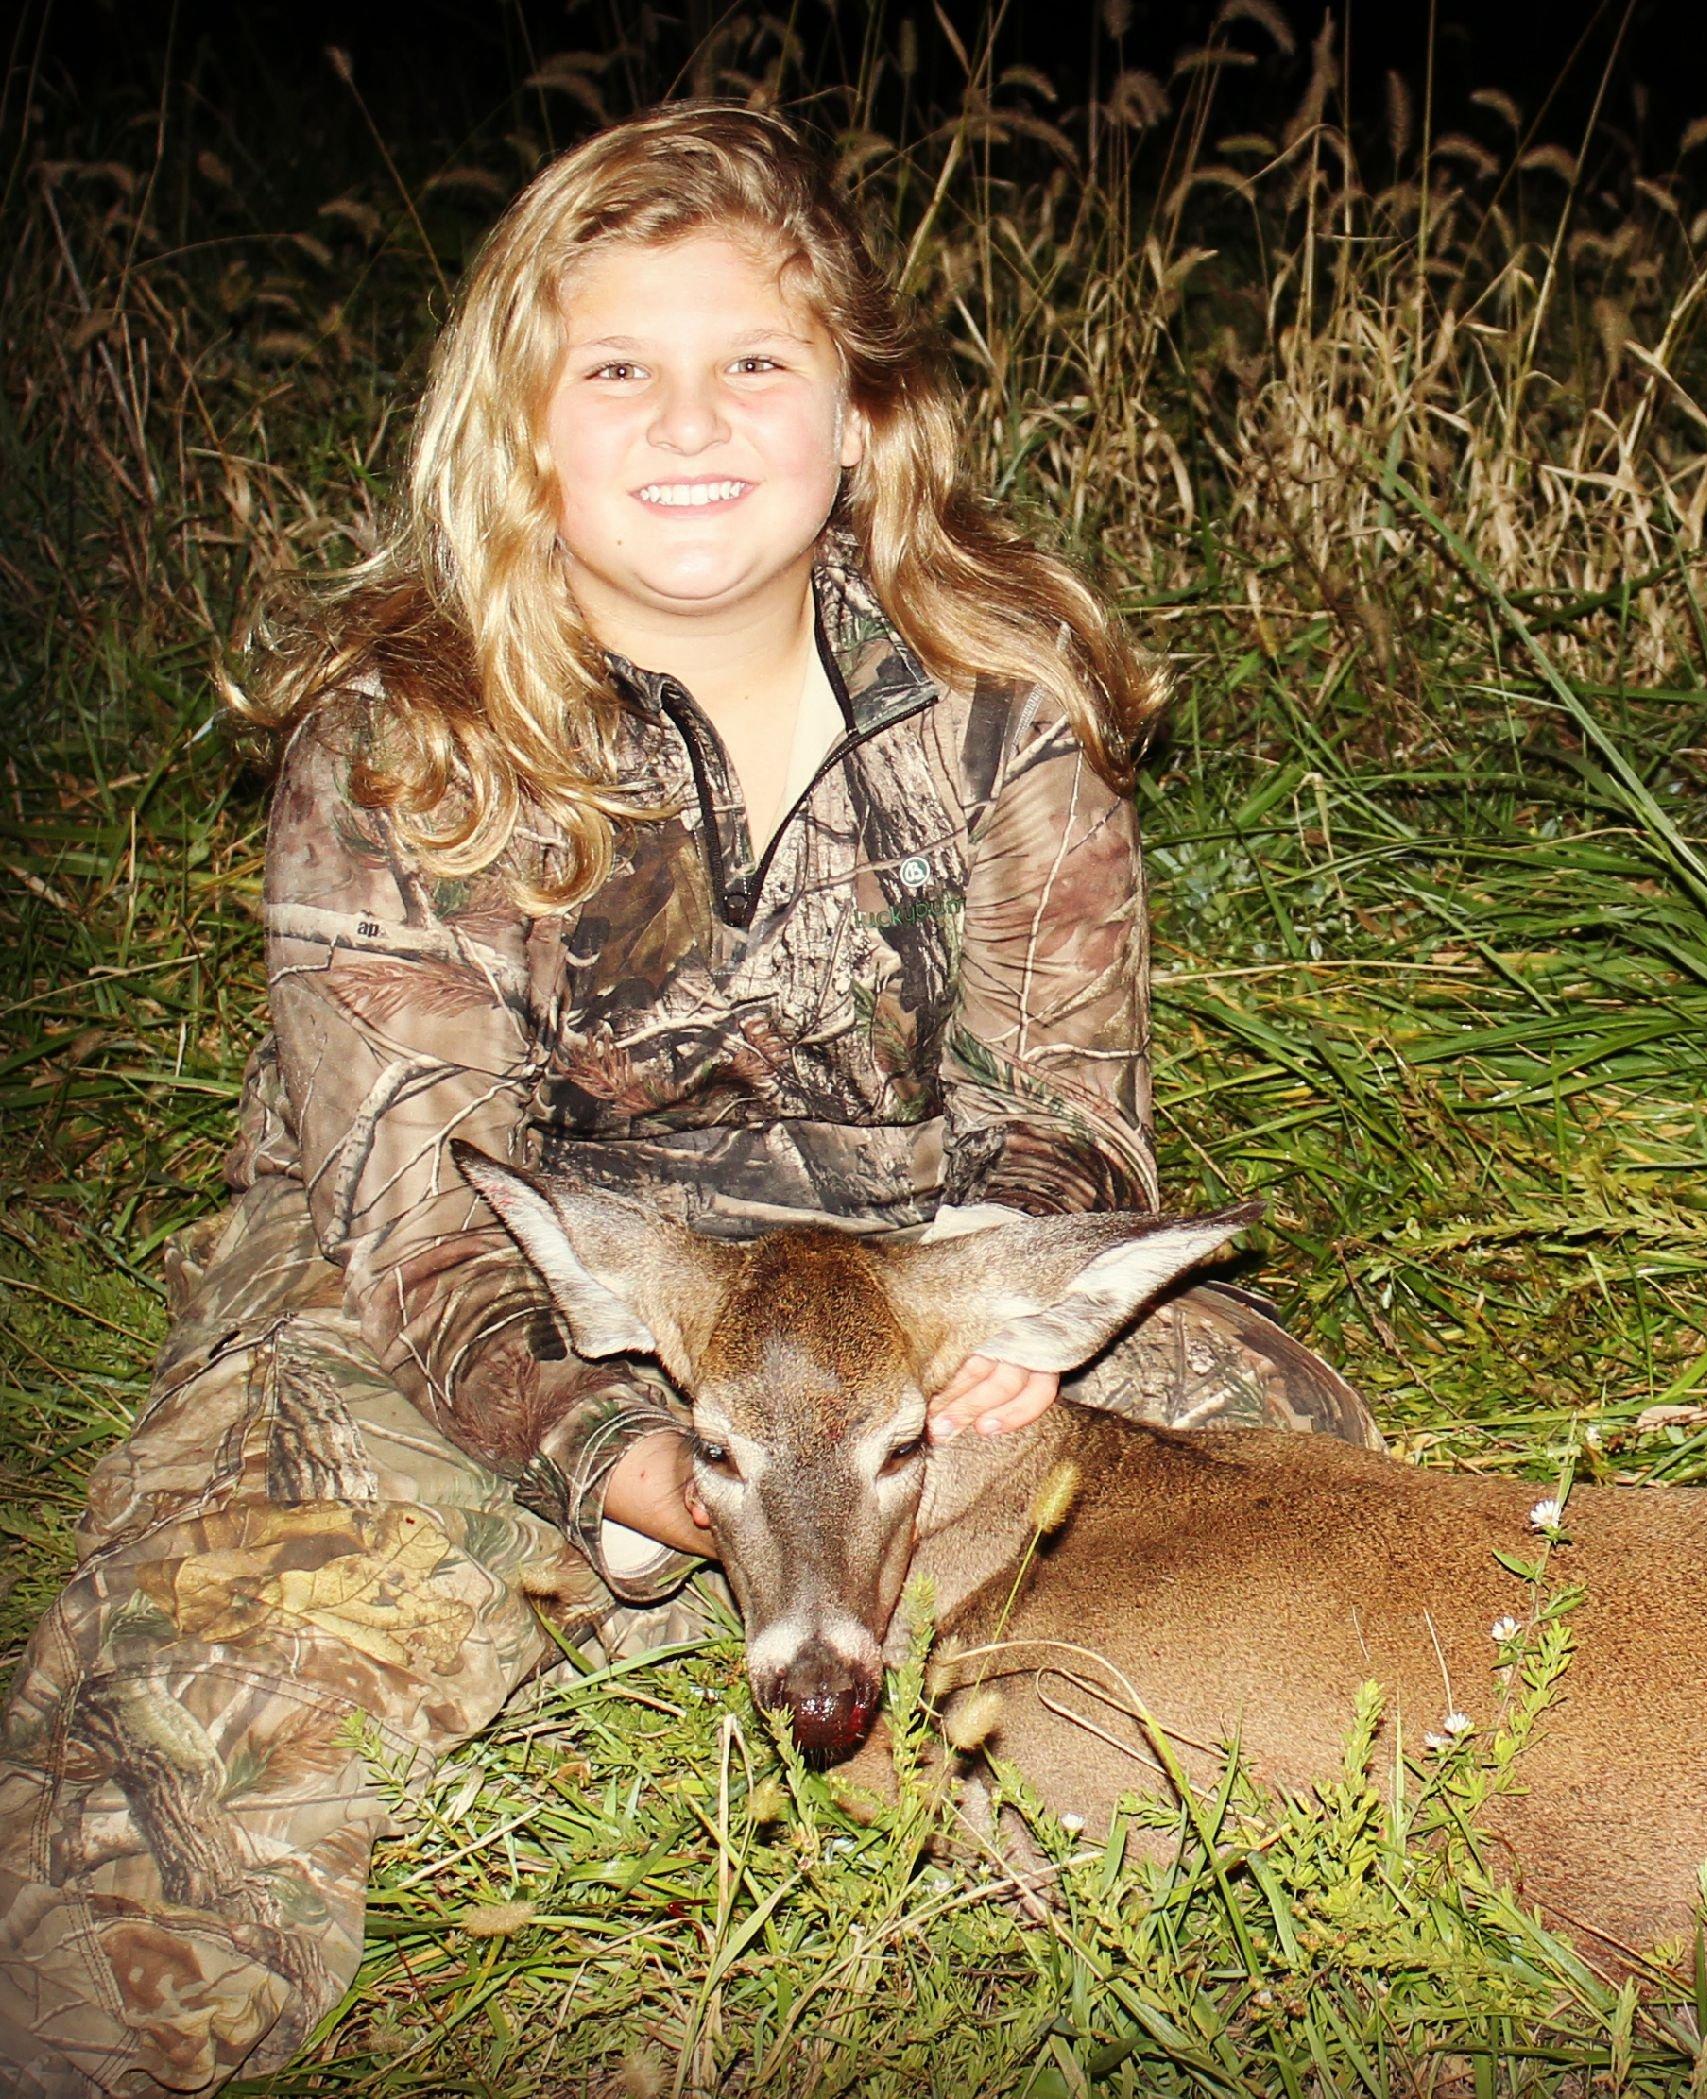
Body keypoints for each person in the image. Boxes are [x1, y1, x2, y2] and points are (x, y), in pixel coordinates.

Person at [0, 104, 1373, 2097]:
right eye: (616, 371)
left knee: (1300, 1474)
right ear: (520, 428)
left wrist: (996, 1315)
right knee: (184, 1756)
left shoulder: (1003, 706)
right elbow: (413, 1210)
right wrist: (619, 1464)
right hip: (491, 1292)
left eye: (756, 363)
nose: (691, 422)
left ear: (859, 415)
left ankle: (726, 1624)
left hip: (895, 1297)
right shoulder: (408, 739)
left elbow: (1064, 1112)